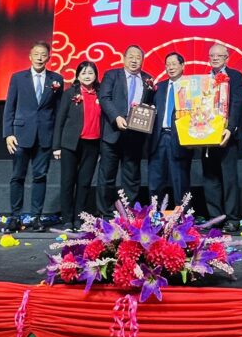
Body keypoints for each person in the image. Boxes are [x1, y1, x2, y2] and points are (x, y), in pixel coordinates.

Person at [3, 41, 64, 232]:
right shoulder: (18, 78)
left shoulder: (56, 79)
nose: (39, 57)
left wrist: (57, 141)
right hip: (21, 135)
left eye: (43, 54)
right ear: (30, 56)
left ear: (49, 58)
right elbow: (10, 107)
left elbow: (59, 111)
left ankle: (36, 217)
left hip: (45, 135)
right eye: (36, 54)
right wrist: (8, 133)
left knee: (40, 177)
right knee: (17, 176)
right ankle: (15, 216)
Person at [97, 45, 155, 212]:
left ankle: (129, 213)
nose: (134, 60)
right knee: (107, 176)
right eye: (131, 57)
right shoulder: (111, 75)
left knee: (131, 177)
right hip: (112, 133)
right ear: (124, 58)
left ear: (142, 60)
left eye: (138, 57)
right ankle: (106, 213)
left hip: (135, 135)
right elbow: (104, 98)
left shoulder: (148, 79)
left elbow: (149, 104)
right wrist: (116, 117)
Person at [52, 61, 102, 231]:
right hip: (71, 144)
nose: (87, 76)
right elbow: (60, 120)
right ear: (78, 76)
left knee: (84, 183)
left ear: (96, 75)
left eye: (90, 73)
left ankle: (79, 218)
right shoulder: (70, 93)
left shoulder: (101, 94)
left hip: (93, 143)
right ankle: (67, 219)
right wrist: (56, 146)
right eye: (84, 73)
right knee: (68, 181)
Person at [202, 43, 242, 233]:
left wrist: (230, 128)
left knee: (229, 178)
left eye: (219, 55)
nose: (215, 58)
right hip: (206, 134)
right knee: (210, 177)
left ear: (227, 58)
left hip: (227, 134)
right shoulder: (203, 79)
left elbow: (237, 103)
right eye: (212, 55)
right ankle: (215, 217)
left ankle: (232, 218)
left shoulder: (235, 76)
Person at [146, 52, 192, 203]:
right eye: (168, 64)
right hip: (158, 138)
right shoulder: (158, 87)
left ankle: (183, 215)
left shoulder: (191, 86)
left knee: (180, 181)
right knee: (155, 181)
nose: (171, 67)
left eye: (174, 64)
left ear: (182, 66)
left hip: (180, 138)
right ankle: (154, 214)